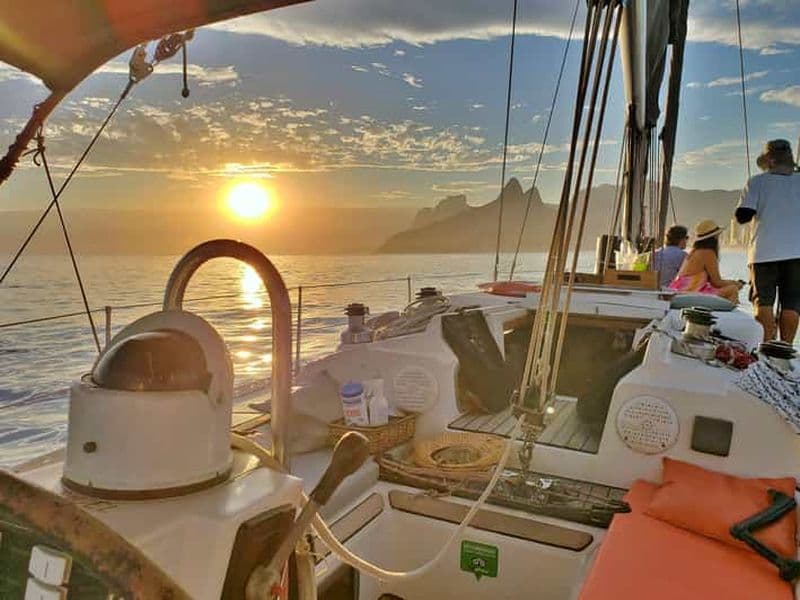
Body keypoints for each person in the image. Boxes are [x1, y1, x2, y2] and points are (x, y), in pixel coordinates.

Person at [736, 139, 800, 343]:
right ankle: (786, 349)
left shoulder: (757, 181)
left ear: (769, 161)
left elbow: (743, 216)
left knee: (763, 301)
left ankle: (765, 347)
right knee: (792, 303)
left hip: (764, 251)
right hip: (797, 253)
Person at [667, 220, 743, 303]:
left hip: (680, 291)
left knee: (729, 288)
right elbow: (716, 282)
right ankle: (728, 314)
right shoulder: (707, 253)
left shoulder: (696, 251)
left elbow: (713, 281)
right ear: (714, 238)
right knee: (732, 289)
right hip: (688, 292)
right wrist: (735, 283)